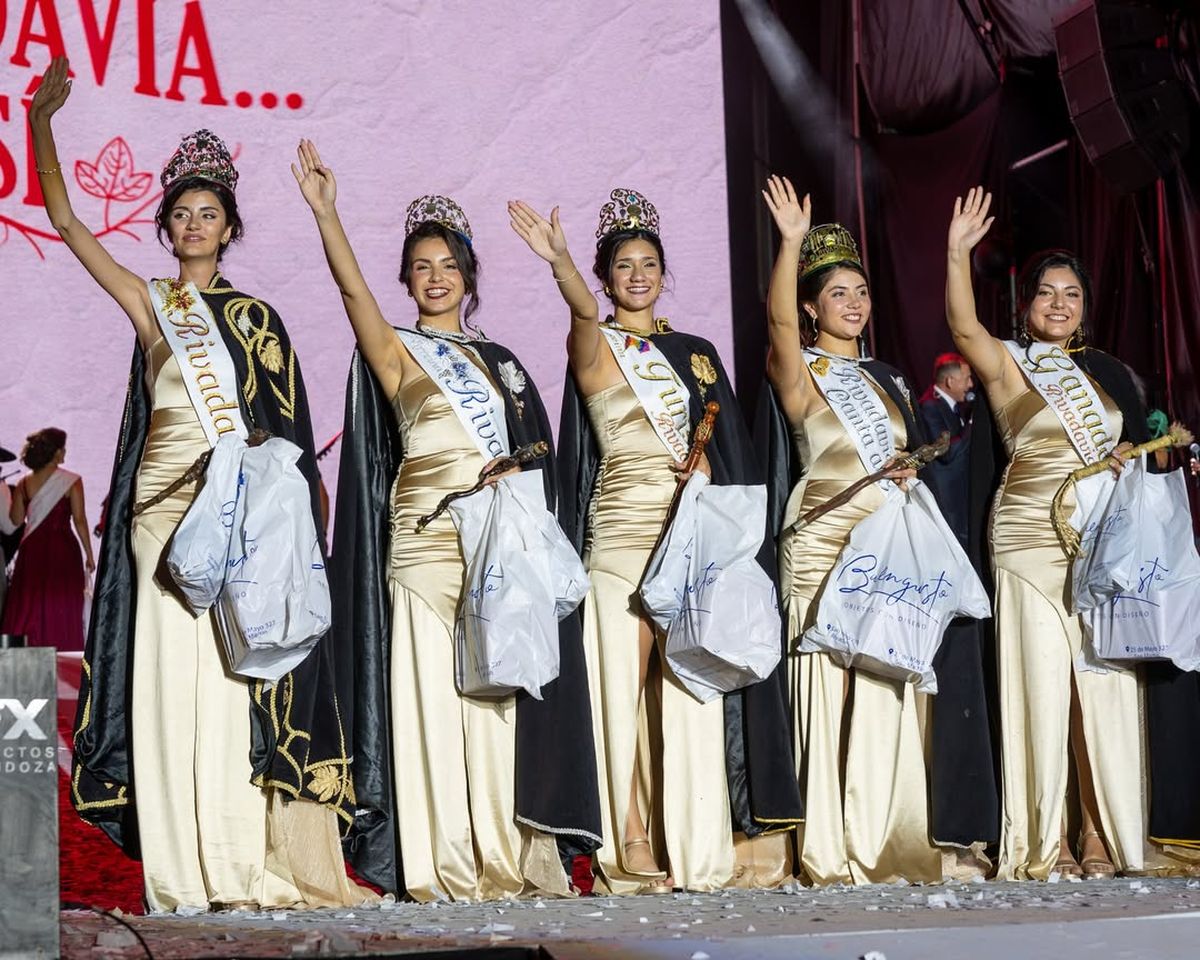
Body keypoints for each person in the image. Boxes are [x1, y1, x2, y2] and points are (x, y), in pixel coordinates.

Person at [30, 57, 365, 912]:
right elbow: (67, 224)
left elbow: (286, 429)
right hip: (162, 520)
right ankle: (179, 875)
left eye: (207, 214)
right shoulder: (151, 305)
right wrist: (40, 122)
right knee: (168, 686)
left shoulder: (255, 319)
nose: (192, 225)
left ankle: (237, 863)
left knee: (228, 692)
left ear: (228, 228)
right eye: (179, 214)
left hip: (238, 517)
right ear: (167, 229)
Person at [293, 140, 600, 902]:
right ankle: (443, 861)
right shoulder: (397, 353)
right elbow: (352, 294)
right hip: (425, 543)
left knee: (497, 705)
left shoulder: (503, 364)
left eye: (449, 266)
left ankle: (505, 851)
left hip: (497, 546)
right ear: (408, 279)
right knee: (432, 704)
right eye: (422, 266)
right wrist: (328, 216)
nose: (435, 278)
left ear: (469, 277)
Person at [509, 189, 803, 894]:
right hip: (618, 541)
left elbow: (733, 449)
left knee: (689, 691)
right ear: (606, 276)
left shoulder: (697, 357)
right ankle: (629, 836)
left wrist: (709, 467)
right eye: (622, 265)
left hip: (690, 545)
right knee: (620, 697)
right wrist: (558, 263)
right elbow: (582, 314)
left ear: (664, 274)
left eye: (648, 263)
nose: (636, 275)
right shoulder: (596, 345)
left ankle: (696, 840)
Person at [945, 186, 1200, 877]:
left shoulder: (1108, 377)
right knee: (1042, 690)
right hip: (1029, 540)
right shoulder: (1008, 362)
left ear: (1084, 308)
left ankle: (1102, 833)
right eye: (1047, 294)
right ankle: (1045, 835)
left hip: (1102, 546)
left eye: (1073, 295)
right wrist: (958, 251)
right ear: (1026, 304)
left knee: (1103, 687)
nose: (1059, 304)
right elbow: (963, 329)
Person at [758, 175, 996, 885]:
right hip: (825, 540)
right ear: (809, 306)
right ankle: (829, 846)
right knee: (828, 687)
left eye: (861, 292)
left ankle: (890, 837)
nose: (854, 303)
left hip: (886, 546)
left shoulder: (890, 380)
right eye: (837, 293)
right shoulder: (800, 371)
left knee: (887, 684)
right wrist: (792, 243)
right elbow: (774, 331)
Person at [1, 428, 91, 650]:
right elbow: (79, 520)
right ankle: (65, 653)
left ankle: (21, 659)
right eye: (63, 449)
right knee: (60, 602)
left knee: (29, 603)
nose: (65, 453)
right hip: (63, 549)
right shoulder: (72, 481)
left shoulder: (23, 483)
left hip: (32, 550)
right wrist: (89, 554)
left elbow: (14, 521)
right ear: (57, 451)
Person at [919, 353, 975, 544]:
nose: (970, 385)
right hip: (948, 499)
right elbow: (945, 452)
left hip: (959, 494)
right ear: (950, 381)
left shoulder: (954, 406)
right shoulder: (930, 408)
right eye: (967, 378)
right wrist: (973, 425)